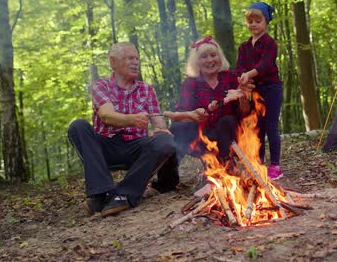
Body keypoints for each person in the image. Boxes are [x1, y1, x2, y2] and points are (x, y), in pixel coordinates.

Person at [68, 42, 176, 217]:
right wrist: (132, 120)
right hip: (106, 146)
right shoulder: (100, 85)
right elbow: (107, 116)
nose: (135, 62)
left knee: (165, 140)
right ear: (113, 62)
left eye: (137, 58)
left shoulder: (146, 89)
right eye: (129, 58)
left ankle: (124, 194)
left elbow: (158, 123)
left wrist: (160, 130)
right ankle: (100, 193)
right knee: (78, 126)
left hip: (136, 146)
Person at [160, 36, 251, 193]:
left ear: (219, 57)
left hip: (230, 135)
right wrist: (194, 114)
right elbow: (182, 113)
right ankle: (166, 182)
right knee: (176, 128)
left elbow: (245, 113)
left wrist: (243, 98)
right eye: (204, 56)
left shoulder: (230, 77)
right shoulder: (191, 83)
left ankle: (222, 172)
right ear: (197, 62)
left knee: (228, 120)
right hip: (202, 137)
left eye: (213, 55)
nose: (210, 60)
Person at [235, 2, 283, 180]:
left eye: (258, 20)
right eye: (250, 21)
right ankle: (259, 162)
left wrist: (249, 74)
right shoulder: (244, 47)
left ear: (266, 22)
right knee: (258, 127)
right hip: (254, 90)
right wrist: (240, 77)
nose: (254, 24)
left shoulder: (270, 43)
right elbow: (239, 67)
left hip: (271, 88)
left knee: (271, 126)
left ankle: (275, 165)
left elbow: (265, 64)